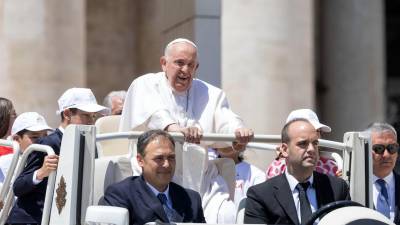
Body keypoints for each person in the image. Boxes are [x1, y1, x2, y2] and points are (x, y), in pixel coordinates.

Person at [119, 38, 253, 223]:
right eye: (179, 63)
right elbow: (155, 113)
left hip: (201, 179)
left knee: (226, 215)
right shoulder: (145, 84)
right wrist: (176, 129)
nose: (185, 70)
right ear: (164, 63)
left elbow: (225, 119)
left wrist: (238, 132)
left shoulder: (211, 93)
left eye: (191, 65)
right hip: (155, 176)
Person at [7, 87, 108, 224]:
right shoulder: (47, 143)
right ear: (67, 114)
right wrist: (41, 172)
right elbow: (18, 187)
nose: (91, 121)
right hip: (31, 220)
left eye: (93, 116)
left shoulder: (90, 144)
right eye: (86, 115)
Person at [244, 119, 350, 225]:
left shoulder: (337, 188)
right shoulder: (260, 195)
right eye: (303, 143)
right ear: (285, 150)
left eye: (315, 143)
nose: (311, 149)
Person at [100, 129, 206, 225]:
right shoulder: (121, 195)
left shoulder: (192, 199)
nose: (167, 164)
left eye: (171, 157)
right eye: (159, 158)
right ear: (140, 160)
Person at [266, 109, 339, 179]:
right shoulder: (277, 167)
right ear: (285, 148)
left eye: (318, 130)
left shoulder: (331, 166)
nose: (316, 135)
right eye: (302, 143)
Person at [365, 122, 400, 224]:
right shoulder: (350, 188)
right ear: (365, 149)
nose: (387, 155)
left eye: (392, 148)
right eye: (379, 148)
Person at [0, 112, 52, 177]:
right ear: (16, 139)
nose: (43, 141)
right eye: (35, 137)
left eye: (45, 136)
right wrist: (40, 174)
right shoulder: (3, 164)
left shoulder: (50, 160)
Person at [214, 142, 265, 208]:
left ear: (242, 146)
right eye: (223, 138)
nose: (227, 143)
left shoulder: (256, 174)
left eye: (232, 138)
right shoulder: (205, 170)